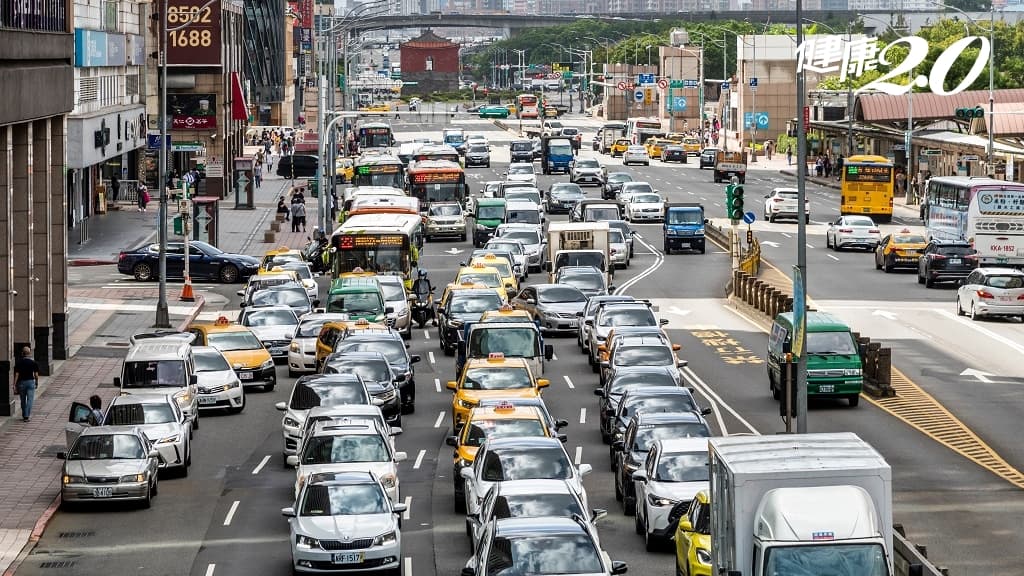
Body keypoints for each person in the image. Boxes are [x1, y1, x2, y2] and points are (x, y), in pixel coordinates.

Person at [13, 346, 38, 422]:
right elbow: (36, 375)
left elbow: (17, 374)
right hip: (30, 382)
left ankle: (24, 415)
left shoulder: (19, 363)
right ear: (29, 353)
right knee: (30, 400)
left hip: (21, 383)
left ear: (22, 353)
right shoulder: (33, 363)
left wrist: (14, 384)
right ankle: (27, 416)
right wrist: (36, 382)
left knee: (23, 400)